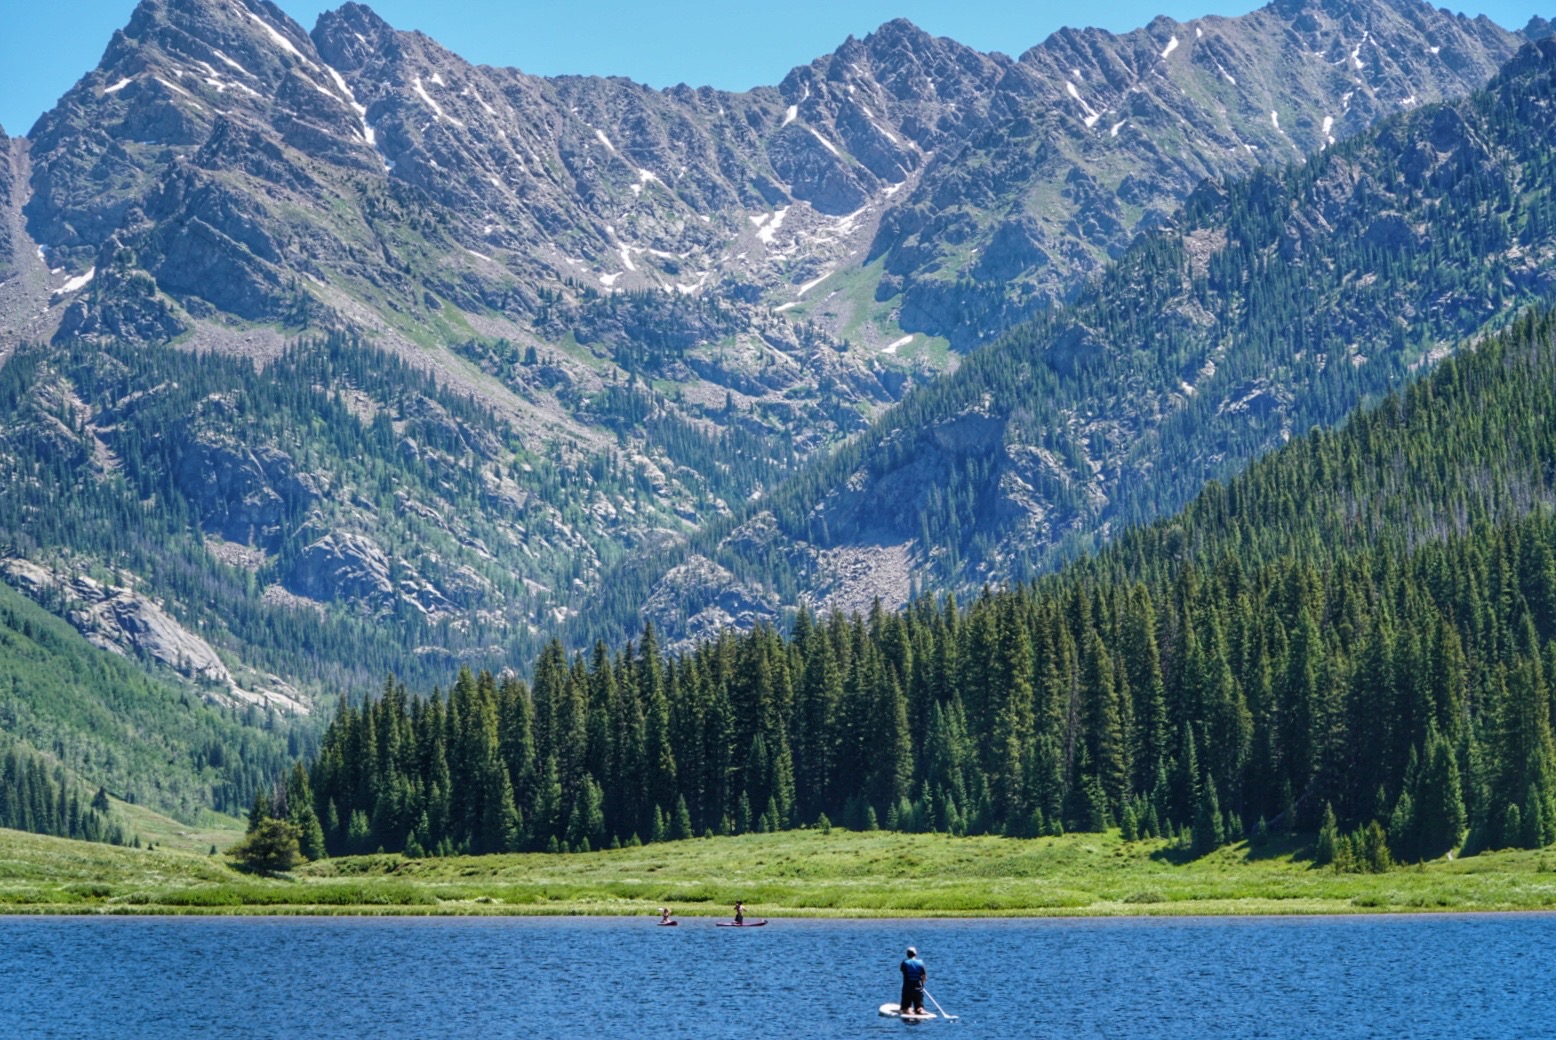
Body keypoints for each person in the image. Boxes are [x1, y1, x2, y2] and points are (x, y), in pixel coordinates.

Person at [899, 947, 927, 1016]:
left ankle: (907, 1010)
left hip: (908, 988)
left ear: (907, 954)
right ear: (915, 954)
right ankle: (920, 1010)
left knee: (905, 1008)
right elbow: (924, 977)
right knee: (919, 1007)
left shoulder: (904, 963)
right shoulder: (921, 963)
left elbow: (904, 975)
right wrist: (922, 986)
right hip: (918, 989)